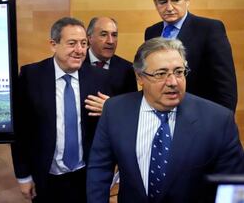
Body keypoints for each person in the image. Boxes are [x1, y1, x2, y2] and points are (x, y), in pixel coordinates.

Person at [86, 37, 244, 203]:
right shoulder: (115, 110)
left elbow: (233, 184)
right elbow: (100, 169)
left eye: (178, 72)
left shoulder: (218, 120)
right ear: (140, 77)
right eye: (161, 74)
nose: (173, 82)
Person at [11, 17, 111, 203]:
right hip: (46, 175)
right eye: (72, 43)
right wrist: (23, 176)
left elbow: (111, 127)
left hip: (87, 175)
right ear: (53, 44)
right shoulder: (30, 76)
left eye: (83, 44)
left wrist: (111, 109)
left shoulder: (100, 78)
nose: (80, 50)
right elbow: (20, 130)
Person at [144, 0, 237, 111]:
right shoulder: (151, 32)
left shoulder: (210, 29)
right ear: (155, 3)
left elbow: (225, 86)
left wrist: (223, 123)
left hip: (200, 115)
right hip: (161, 114)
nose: (169, 7)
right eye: (163, 2)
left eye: (175, 0)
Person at [85, 17, 137, 95]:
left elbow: (131, 104)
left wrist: (110, 105)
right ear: (90, 38)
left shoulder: (127, 69)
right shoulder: (77, 63)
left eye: (114, 35)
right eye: (104, 35)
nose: (110, 41)